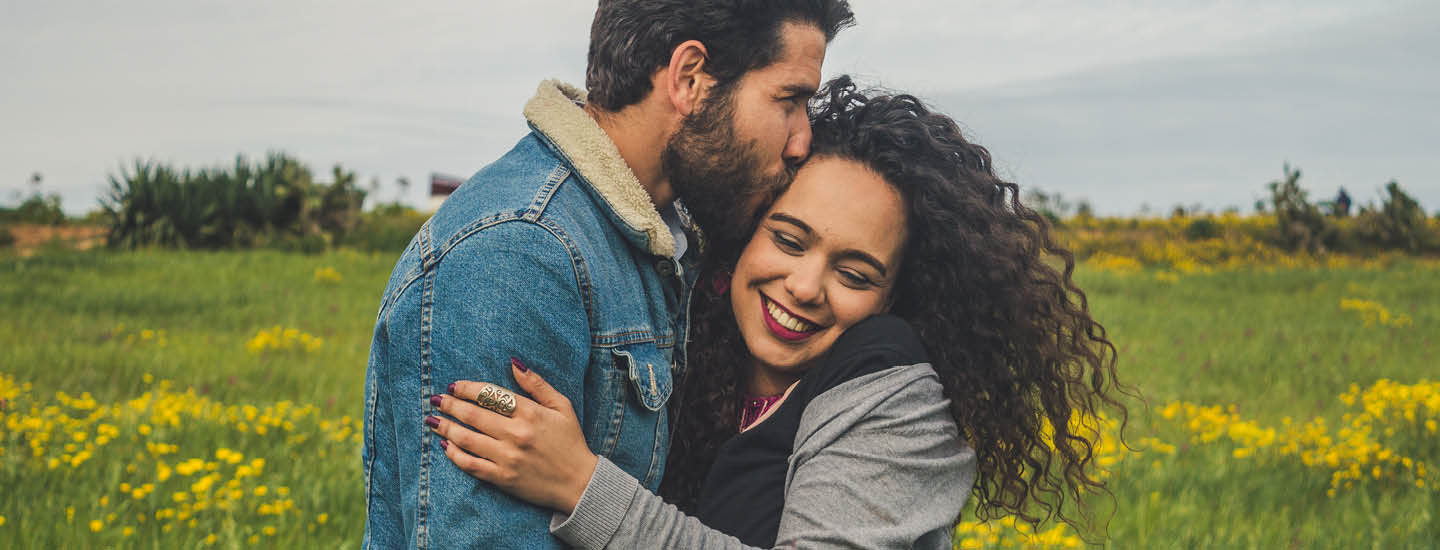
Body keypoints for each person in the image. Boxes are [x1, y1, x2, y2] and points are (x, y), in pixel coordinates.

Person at [422, 77, 1131, 548]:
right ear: (745, 233)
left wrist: (582, 486)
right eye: (789, 240)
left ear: (892, 297)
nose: (804, 285)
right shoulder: (685, 348)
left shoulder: (898, 395)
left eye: (854, 272)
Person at [362, 2, 856, 548]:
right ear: (689, 77)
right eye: (790, 100)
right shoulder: (520, 256)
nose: (802, 139)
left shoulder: (668, 235)